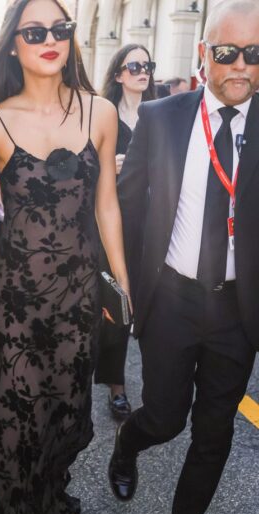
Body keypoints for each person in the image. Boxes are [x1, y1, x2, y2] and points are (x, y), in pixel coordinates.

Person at [0, 0, 130, 514]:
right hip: (13, 296)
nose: (50, 40)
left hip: (77, 294)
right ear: (14, 42)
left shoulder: (100, 112)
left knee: (64, 412)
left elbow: (108, 207)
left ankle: (48, 493)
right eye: (34, 31)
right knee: (15, 419)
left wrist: (122, 288)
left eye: (61, 29)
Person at [108, 1, 259, 514]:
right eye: (227, 52)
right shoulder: (163, 118)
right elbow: (124, 209)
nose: (241, 65)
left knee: (215, 432)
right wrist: (115, 284)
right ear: (204, 56)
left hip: (237, 311)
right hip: (170, 300)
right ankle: (130, 441)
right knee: (167, 418)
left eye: (254, 54)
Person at [98, 44, 156, 420]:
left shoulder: (160, 113)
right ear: (118, 74)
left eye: (148, 65)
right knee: (110, 302)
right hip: (109, 220)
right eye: (134, 65)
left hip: (152, 223)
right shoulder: (102, 114)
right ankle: (112, 384)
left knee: (142, 304)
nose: (142, 71)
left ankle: (132, 384)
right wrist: (108, 168)